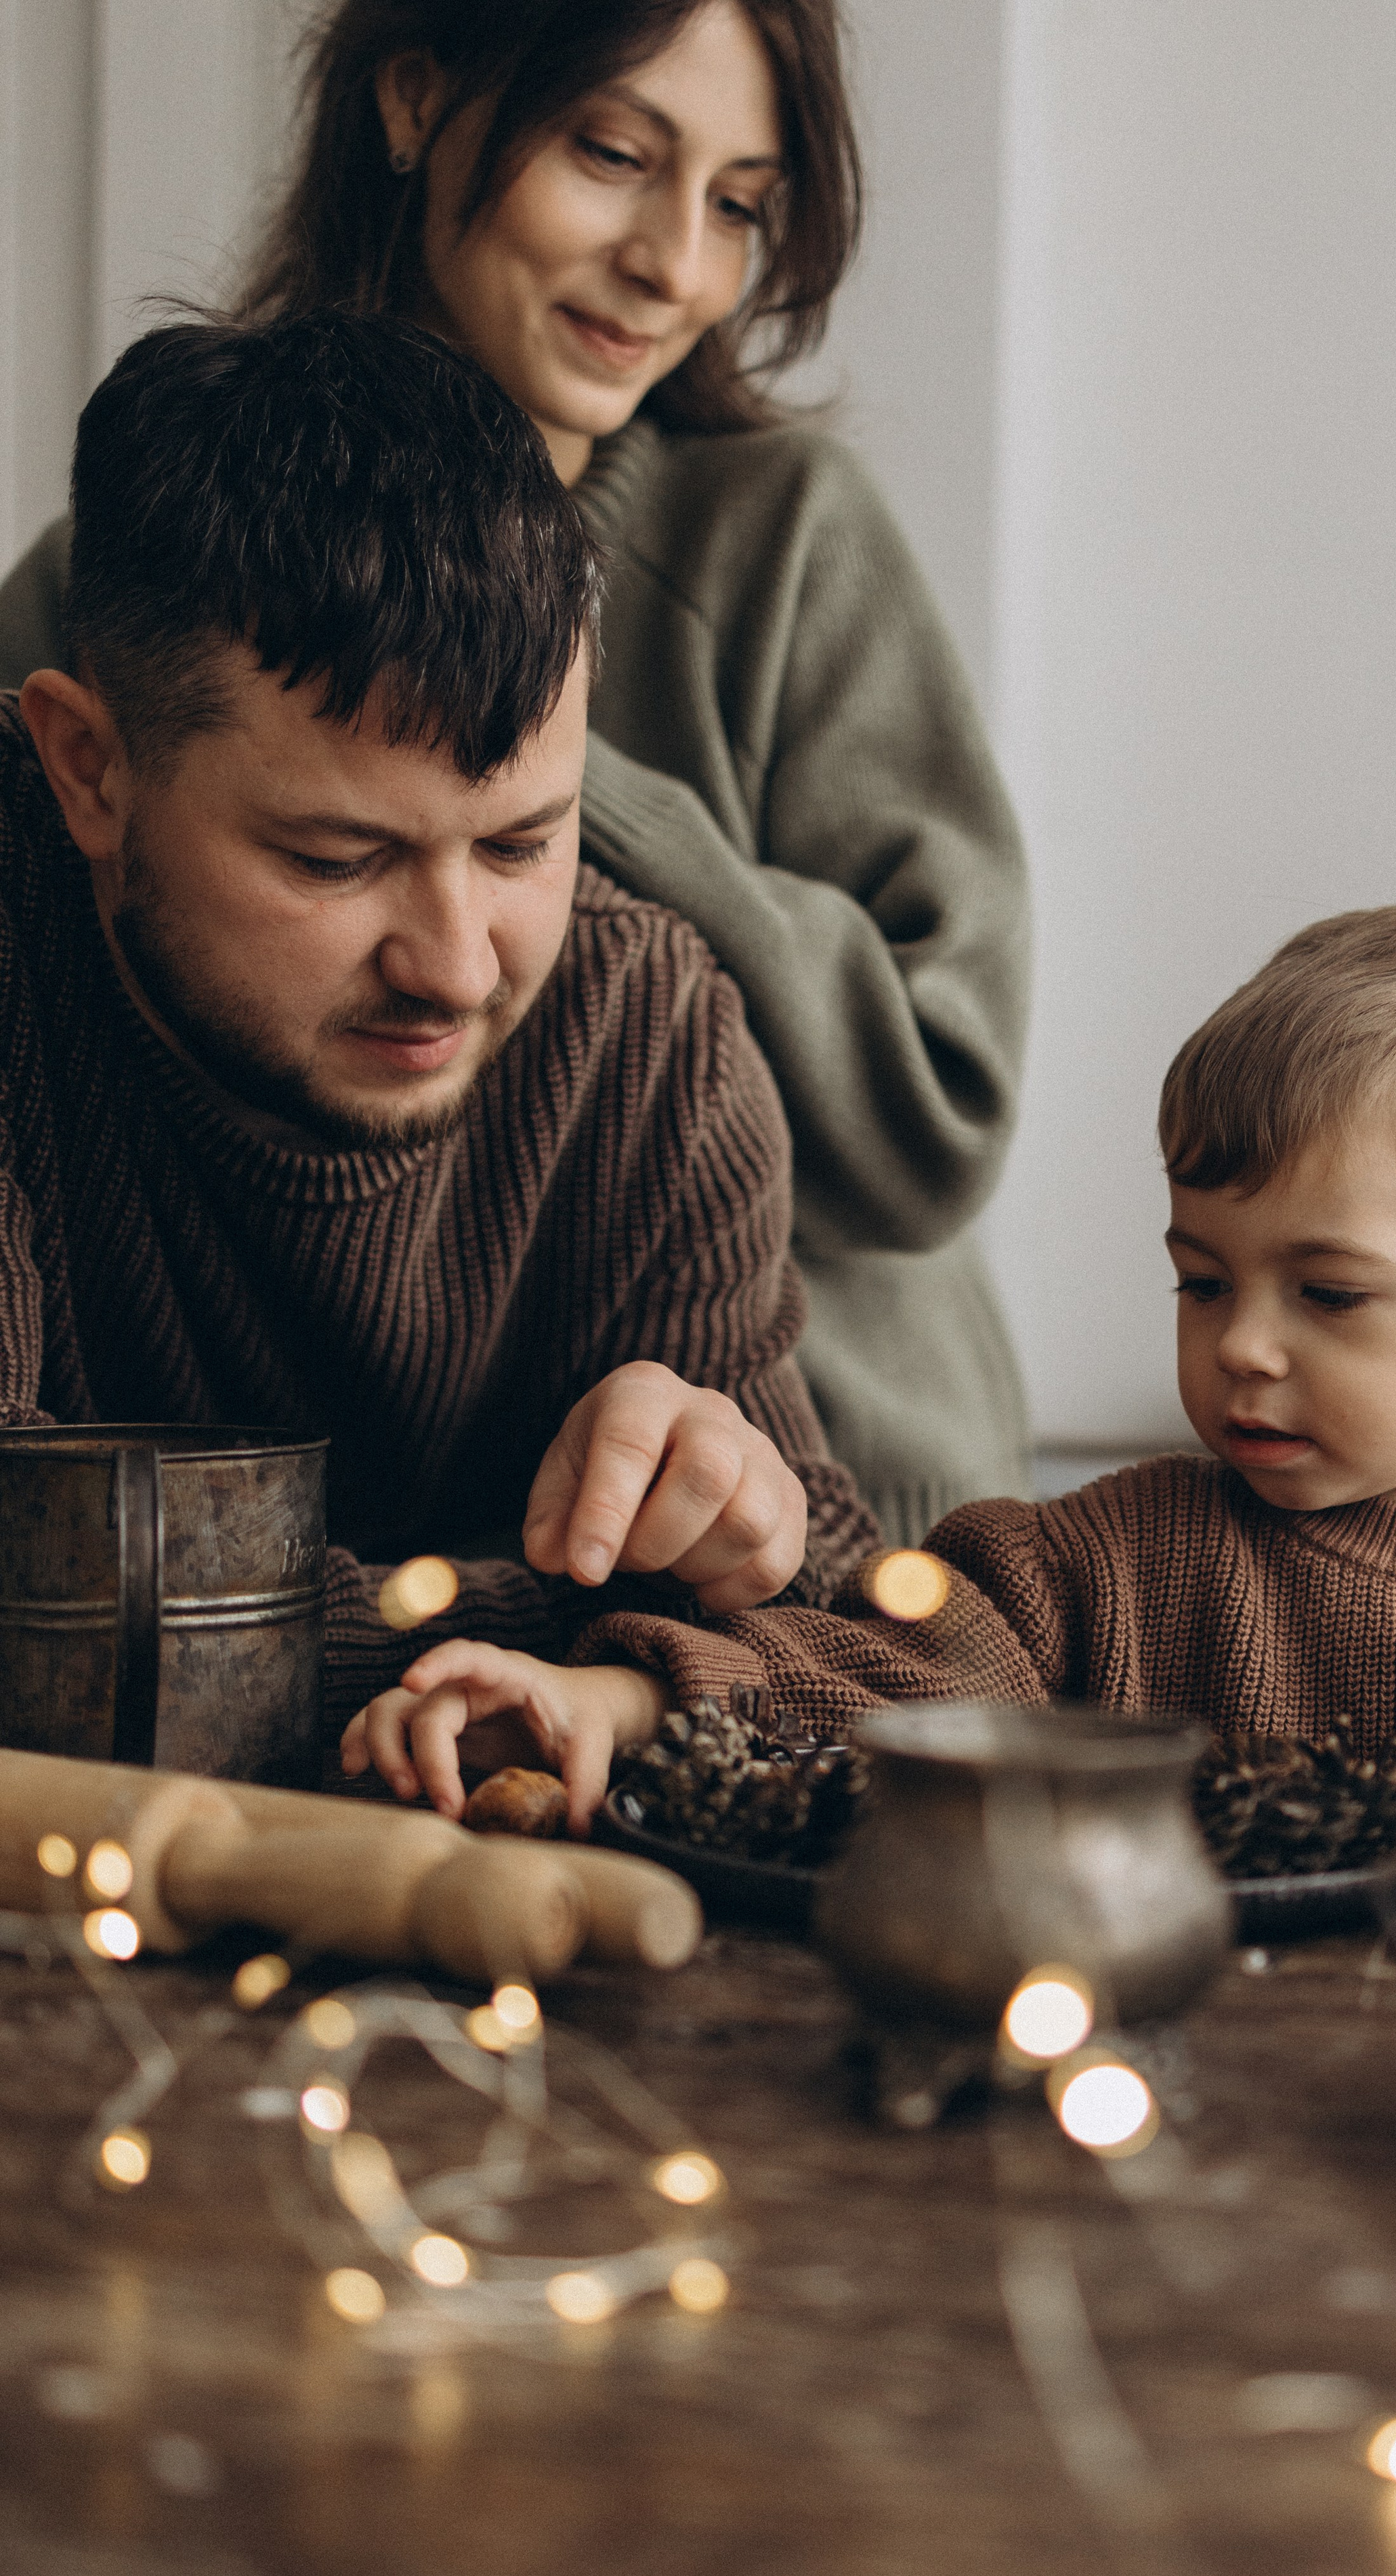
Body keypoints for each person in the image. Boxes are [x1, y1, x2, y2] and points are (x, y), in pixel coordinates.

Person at [0, 0, 1032, 1546]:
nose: (676, 265)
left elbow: (935, 1123)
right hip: (337, 1514)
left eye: (740, 205)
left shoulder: (783, 536)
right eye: (613, 154)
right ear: (414, 102)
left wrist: (549, 757)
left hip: (823, 1481)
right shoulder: (126, 566)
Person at [348, 906, 1396, 1828]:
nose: (1239, 1342)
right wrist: (615, 1701)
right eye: (1201, 1279)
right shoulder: (1094, 1569)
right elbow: (855, 1683)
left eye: (1326, 1292)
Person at [3, 307, 881, 1750]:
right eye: (337, 859)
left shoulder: (643, 1033)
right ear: (90, 769)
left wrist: (742, 1527)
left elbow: (854, 1641)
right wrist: (575, 1619)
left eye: (525, 843)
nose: (459, 968)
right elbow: (46, 1644)